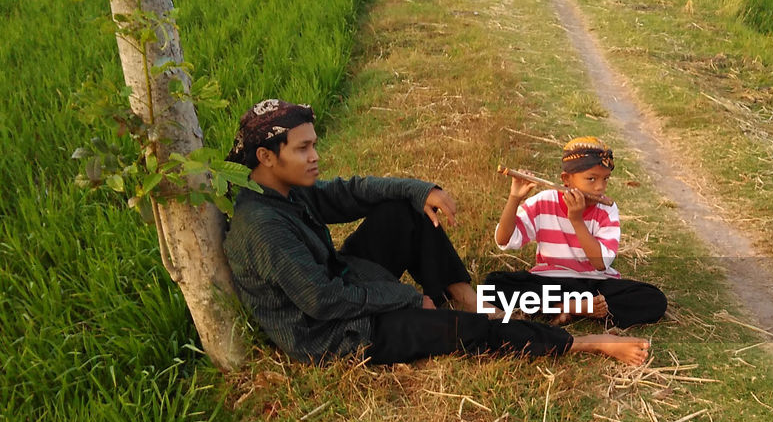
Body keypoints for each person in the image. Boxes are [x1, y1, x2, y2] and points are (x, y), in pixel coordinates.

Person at [222, 99, 650, 366]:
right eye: (303, 148)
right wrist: (409, 298)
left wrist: (422, 190)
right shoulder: (261, 225)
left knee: (401, 210)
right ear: (266, 156)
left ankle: (466, 299)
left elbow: (356, 191)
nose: (315, 156)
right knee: (462, 333)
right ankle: (583, 344)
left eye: (314, 144)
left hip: (345, 282)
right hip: (336, 334)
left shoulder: (288, 190)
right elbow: (322, 301)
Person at [484, 137, 667, 328]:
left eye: (605, 179)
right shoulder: (544, 201)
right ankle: (572, 307)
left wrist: (576, 220)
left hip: (594, 284)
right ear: (566, 179)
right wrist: (514, 198)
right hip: (550, 281)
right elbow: (503, 239)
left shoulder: (607, 210)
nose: (600, 187)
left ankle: (561, 308)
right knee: (493, 285)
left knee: (654, 299)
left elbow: (600, 263)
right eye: (591, 179)